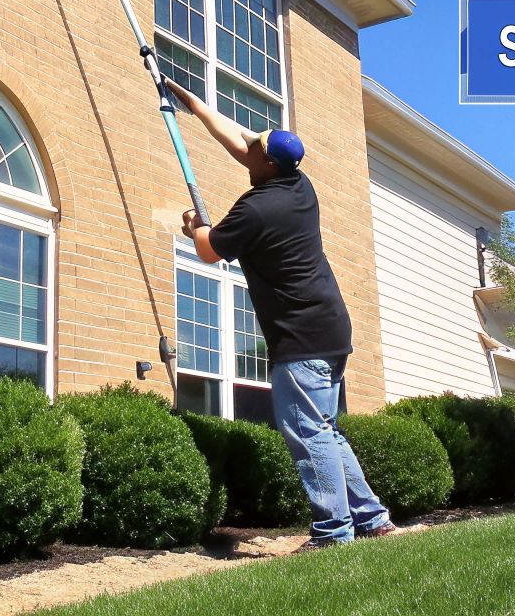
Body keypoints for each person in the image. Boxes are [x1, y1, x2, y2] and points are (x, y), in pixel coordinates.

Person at [162, 76, 401, 547]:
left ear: (266, 162)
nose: (247, 146)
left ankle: (334, 533)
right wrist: (186, 98)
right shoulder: (297, 184)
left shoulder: (257, 210)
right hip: (330, 330)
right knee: (326, 430)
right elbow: (238, 141)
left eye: (255, 146)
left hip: (301, 338)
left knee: (309, 433)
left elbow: (210, 251)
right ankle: (372, 519)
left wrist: (195, 227)